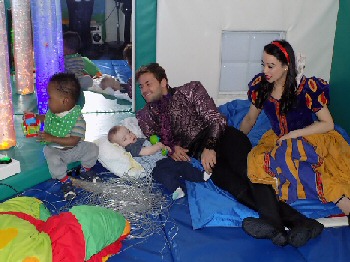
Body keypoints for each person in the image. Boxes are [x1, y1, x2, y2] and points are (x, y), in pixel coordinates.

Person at [135, 62, 324, 247]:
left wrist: (210, 146)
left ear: (163, 82)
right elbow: (157, 140)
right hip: (201, 155)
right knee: (235, 187)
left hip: (223, 137)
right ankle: (300, 224)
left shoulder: (190, 89)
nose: (144, 90)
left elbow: (216, 120)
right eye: (141, 86)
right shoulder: (144, 116)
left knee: (248, 173)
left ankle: (276, 225)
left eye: (148, 83)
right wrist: (172, 148)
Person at [240, 39, 350, 244]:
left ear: (286, 66)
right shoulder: (262, 86)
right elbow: (249, 119)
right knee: (256, 160)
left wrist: (293, 134)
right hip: (278, 138)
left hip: (308, 135)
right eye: (263, 64)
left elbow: (328, 124)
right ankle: (280, 220)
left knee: (286, 152)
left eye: (270, 66)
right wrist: (237, 138)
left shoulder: (305, 88)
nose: (265, 70)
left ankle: (341, 200)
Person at [35, 73, 100, 201]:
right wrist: (36, 118)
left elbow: (74, 141)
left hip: (74, 149)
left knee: (93, 148)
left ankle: (85, 169)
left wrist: (51, 137)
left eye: (50, 98)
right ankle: (65, 180)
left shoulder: (77, 119)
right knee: (51, 157)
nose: (48, 101)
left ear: (65, 101)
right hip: (56, 150)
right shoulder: (54, 112)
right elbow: (46, 118)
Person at [107, 125, 207, 200]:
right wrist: (158, 146)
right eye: (125, 139)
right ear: (121, 145)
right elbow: (147, 151)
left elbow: (158, 148)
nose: (129, 136)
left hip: (166, 160)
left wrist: (164, 148)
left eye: (129, 132)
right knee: (165, 177)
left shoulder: (141, 140)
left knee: (183, 166)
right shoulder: (131, 147)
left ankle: (201, 176)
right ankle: (177, 189)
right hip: (156, 168)